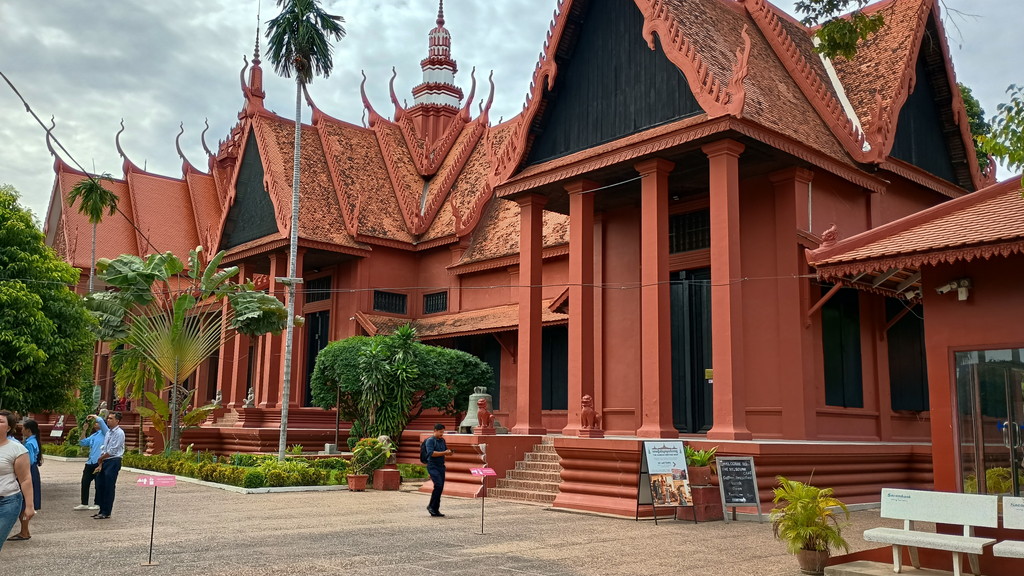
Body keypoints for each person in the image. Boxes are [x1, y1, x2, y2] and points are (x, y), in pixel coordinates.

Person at [0, 411, 34, 548]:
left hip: (7, 502)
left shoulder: (17, 449)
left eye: (1, 421)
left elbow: (25, 479)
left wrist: (30, 506)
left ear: (8, 428)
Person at [8, 419, 41, 542]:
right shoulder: (33, 441)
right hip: (32, 471)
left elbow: (30, 460)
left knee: (24, 505)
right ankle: (25, 531)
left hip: (28, 471)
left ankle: (24, 531)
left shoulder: (28, 443)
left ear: (28, 430)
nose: (21, 430)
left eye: (23, 428)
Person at [90, 412, 125, 520]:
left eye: (111, 418)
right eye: (108, 418)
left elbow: (113, 450)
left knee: (109, 487)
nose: (108, 420)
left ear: (117, 421)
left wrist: (102, 458)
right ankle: (101, 509)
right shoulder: (108, 432)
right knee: (100, 485)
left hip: (113, 460)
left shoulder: (119, 433)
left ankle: (106, 511)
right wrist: (100, 462)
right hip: (104, 460)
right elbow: (104, 448)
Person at [75, 415, 109, 511]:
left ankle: (97, 503)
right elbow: (82, 442)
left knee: (98, 484)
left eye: (97, 423)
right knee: (85, 482)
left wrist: (94, 416)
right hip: (90, 462)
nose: (95, 424)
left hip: (99, 462)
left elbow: (101, 422)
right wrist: (84, 430)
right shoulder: (95, 435)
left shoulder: (105, 433)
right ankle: (84, 503)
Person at [424, 423, 453, 517]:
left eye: (443, 432)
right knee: (438, 485)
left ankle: (435, 508)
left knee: (440, 487)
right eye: (440, 432)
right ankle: (432, 507)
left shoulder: (442, 440)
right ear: (435, 430)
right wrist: (444, 452)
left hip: (441, 466)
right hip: (432, 465)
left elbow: (444, 450)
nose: (442, 434)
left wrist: (448, 452)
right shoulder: (430, 441)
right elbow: (431, 453)